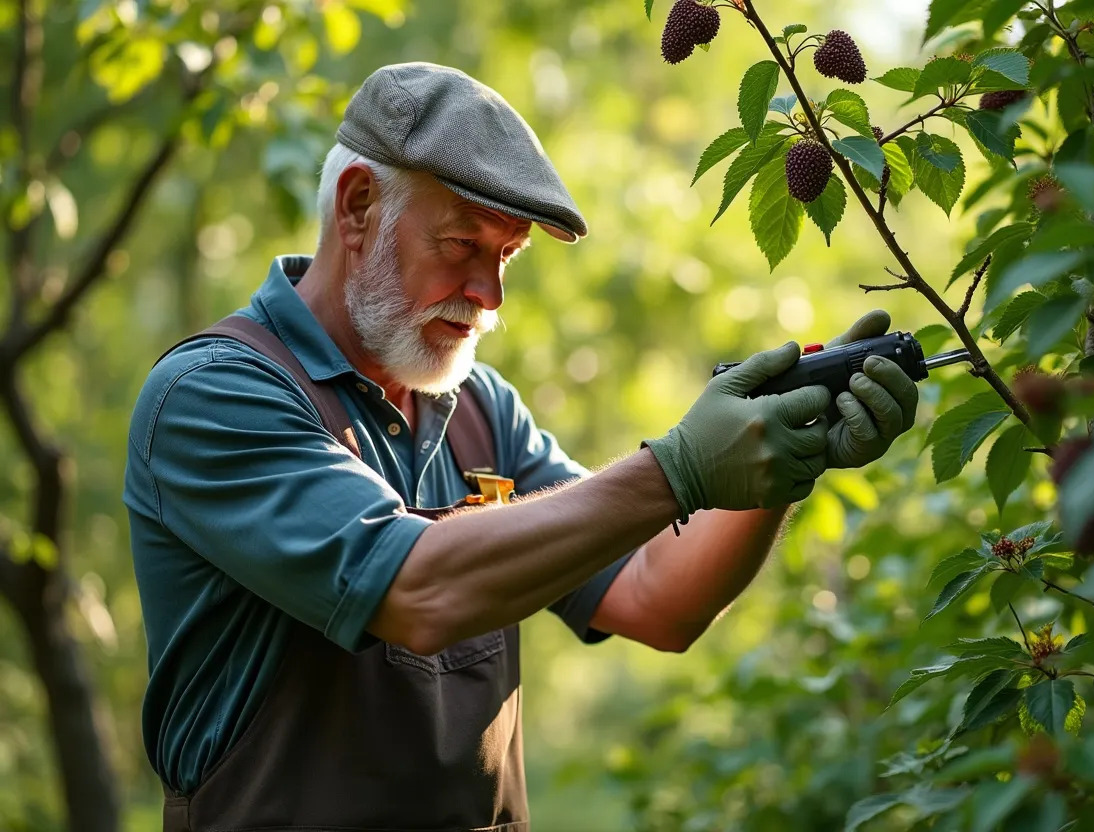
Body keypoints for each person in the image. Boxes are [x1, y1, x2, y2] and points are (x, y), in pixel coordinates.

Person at [123, 62, 918, 831]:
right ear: (358, 205)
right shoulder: (216, 394)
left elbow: (657, 599)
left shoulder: (480, 408)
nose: (489, 296)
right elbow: (417, 591)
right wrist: (679, 466)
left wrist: (783, 451)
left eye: (504, 258)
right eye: (463, 246)